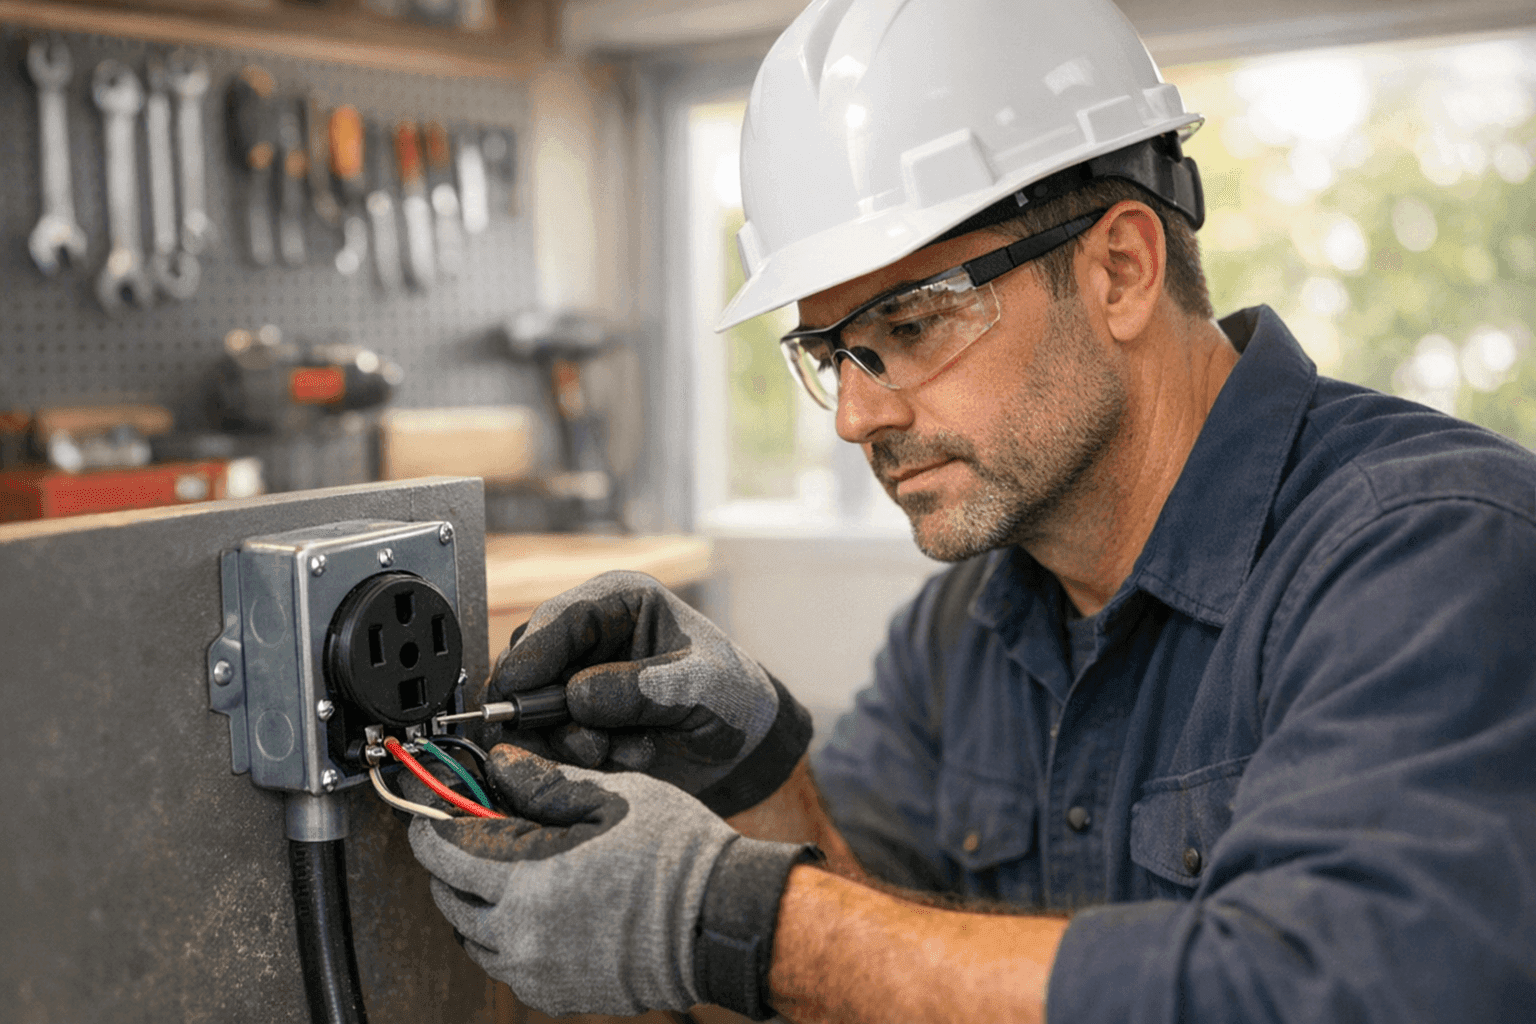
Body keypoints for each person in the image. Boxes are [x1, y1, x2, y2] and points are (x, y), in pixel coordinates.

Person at [405, 0, 1536, 1021]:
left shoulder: (1431, 553)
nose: (855, 417)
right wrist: (753, 769)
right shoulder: (965, 631)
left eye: (912, 324)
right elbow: (873, 959)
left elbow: (1332, 992)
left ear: (1122, 271)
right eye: (835, 353)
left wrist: (736, 918)